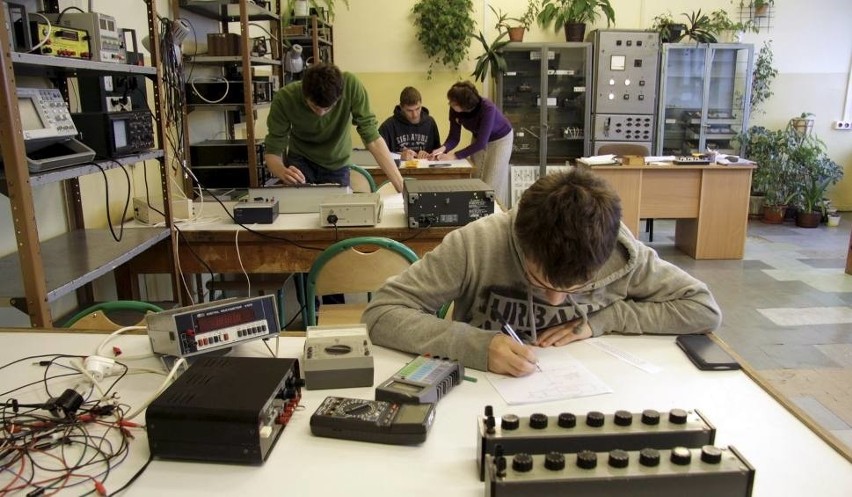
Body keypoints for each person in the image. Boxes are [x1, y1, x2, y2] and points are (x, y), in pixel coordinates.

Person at [362, 169, 722, 377]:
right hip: (483, 398)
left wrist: (607, 318)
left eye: (576, 287)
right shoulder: (476, 244)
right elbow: (381, 314)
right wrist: (475, 345)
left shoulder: (622, 254)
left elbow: (703, 308)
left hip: (591, 391)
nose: (554, 299)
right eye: (538, 280)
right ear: (521, 240)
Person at [264, 63, 404, 192]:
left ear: (338, 97)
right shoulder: (285, 98)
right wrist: (282, 171)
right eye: (314, 107)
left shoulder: (351, 86)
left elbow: (372, 138)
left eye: (327, 108)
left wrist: (401, 187)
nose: (320, 114)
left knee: (338, 214)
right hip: (300, 162)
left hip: (337, 163)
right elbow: (273, 150)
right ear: (304, 93)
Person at [430, 81, 514, 206]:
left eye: (453, 102)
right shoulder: (454, 110)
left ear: (465, 105)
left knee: (491, 183)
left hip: (500, 139)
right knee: (475, 177)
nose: (450, 104)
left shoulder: (488, 108)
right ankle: (475, 212)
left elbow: (481, 143)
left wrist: (455, 155)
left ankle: (491, 214)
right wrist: (443, 148)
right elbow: (454, 137)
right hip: (479, 137)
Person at [379, 86, 441, 161]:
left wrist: (430, 156)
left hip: (425, 170)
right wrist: (400, 156)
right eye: (409, 110)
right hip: (398, 170)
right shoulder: (388, 126)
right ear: (401, 108)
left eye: (418, 109)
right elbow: (378, 153)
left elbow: (438, 153)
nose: (415, 115)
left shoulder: (430, 122)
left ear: (421, 104)